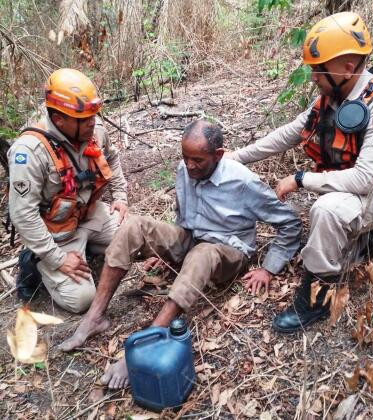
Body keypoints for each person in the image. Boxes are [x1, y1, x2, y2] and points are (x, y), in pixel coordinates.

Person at [59, 119, 302, 389]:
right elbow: (183, 218)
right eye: (185, 157)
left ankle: (150, 338)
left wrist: (268, 268)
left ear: (218, 155)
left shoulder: (242, 181)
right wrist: (167, 250)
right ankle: (95, 316)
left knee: (201, 254)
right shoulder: (185, 170)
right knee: (133, 226)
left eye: (197, 160)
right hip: (193, 238)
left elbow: (289, 223)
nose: (189, 165)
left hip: (227, 252)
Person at [226, 12, 373, 333]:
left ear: (347, 69)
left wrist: (300, 179)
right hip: (364, 190)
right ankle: (365, 237)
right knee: (329, 211)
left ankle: (317, 298)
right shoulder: (334, 95)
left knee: (325, 209)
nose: (313, 77)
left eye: (318, 69)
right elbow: (288, 133)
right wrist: (238, 157)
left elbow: (365, 180)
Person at [8, 68, 128, 313]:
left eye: (93, 115)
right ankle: (38, 262)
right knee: (82, 300)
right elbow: (23, 215)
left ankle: (90, 246)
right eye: (83, 119)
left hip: (90, 214)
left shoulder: (94, 130)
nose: (92, 122)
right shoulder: (30, 152)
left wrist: (120, 196)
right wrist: (58, 259)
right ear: (59, 118)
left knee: (132, 239)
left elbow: (112, 158)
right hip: (57, 232)